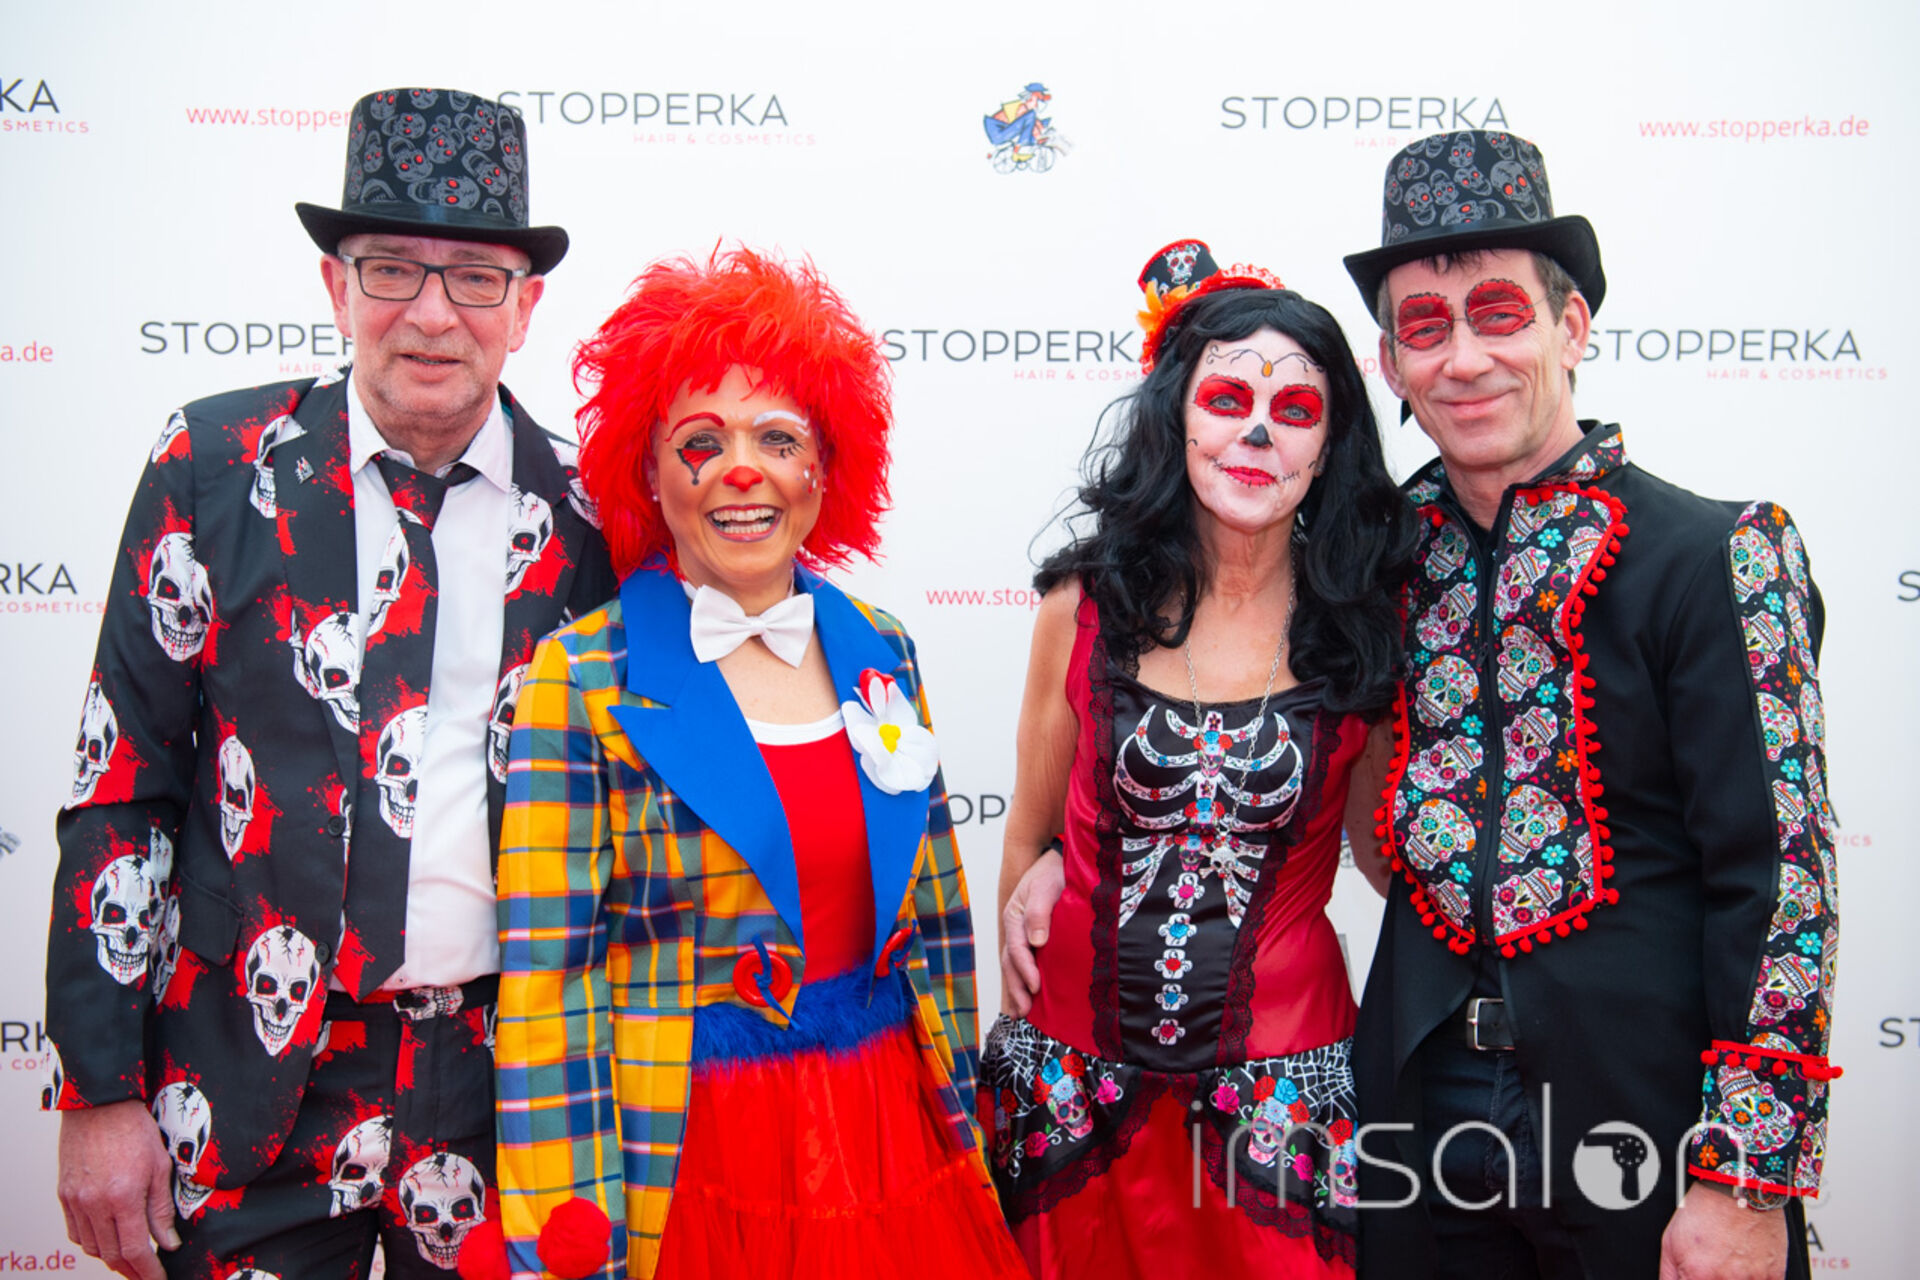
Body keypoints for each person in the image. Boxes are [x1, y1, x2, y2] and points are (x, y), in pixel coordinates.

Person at [44, 87, 614, 1280]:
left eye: (476, 278)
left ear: (525, 307)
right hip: (245, 1083)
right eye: (392, 267)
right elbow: (123, 786)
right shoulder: (211, 466)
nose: (431, 313)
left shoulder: (591, 516)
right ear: (335, 285)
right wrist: (98, 1088)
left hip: (502, 1092)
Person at [1339, 129, 1838, 1278]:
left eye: (1499, 313)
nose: (1465, 357)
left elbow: (1780, 887)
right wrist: (1056, 856)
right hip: (1415, 1116)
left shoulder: (1718, 554)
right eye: (1426, 326)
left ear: (1572, 325)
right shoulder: (1368, 566)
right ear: (1392, 363)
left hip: (1648, 1123)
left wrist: (1746, 1181)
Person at [490, 247, 1029, 1280]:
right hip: (694, 1161)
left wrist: (966, 1122)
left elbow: (941, 927)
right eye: (702, 441)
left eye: (778, 438)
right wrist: (570, 1244)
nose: (743, 470)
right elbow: (547, 988)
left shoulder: (883, 649)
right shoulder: (582, 677)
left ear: (824, 467)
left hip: (891, 1135)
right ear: (650, 473)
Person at [986, 241, 1416, 1279]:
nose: (1257, 431)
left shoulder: (1368, 630)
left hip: (1282, 1103)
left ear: (1330, 446)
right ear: (1176, 416)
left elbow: (1387, 862)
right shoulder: (1079, 606)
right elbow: (1027, 837)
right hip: (1069, 1097)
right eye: (1228, 398)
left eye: (1296, 410)